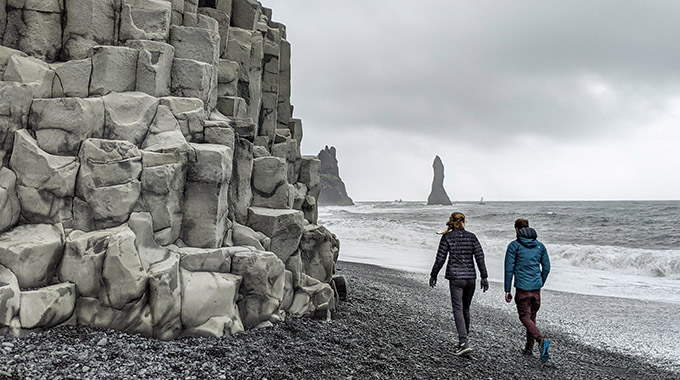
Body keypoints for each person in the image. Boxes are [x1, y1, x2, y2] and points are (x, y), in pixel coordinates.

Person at [430, 212, 489, 356]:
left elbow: (440, 258)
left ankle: (463, 342)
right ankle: (464, 341)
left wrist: (433, 274)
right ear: (463, 222)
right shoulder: (472, 237)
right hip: (470, 278)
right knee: (466, 309)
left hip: (456, 279)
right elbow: (480, 257)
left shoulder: (447, 237)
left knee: (458, 309)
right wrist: (484, 276)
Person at [504, 218, 551, 363]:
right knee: (532, 317)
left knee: (524, 316)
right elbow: (547, 267)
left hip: (523, 288)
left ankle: (540, 340)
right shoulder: (540, 246)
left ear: (517, 229)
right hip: (536, 288)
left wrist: (507, 289)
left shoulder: (514, 246)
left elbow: (509, 269)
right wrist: (540, 282)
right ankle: (528, 348)